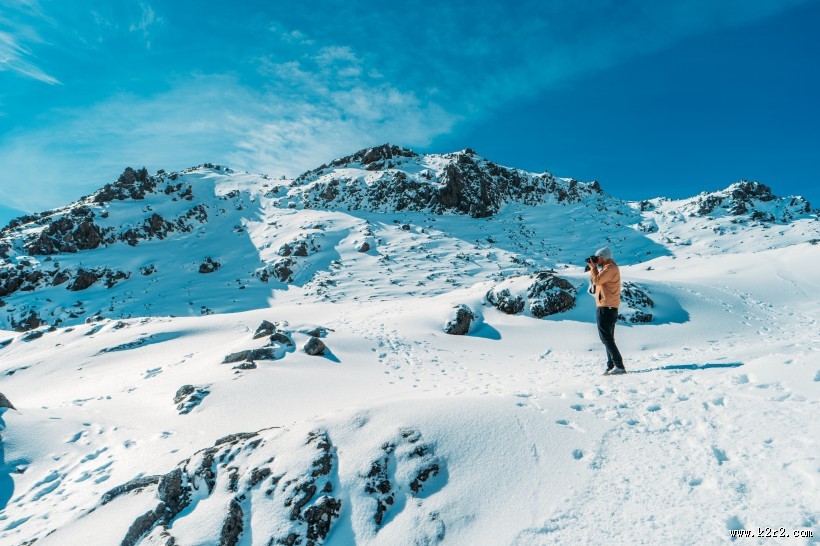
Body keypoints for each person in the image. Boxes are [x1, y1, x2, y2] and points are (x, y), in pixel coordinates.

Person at [587, 246, 625, 375]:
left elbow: (597, 281)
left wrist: (593, 268)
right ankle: (611, 365)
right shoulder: (607, 268)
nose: (596, 261)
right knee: (608, 338)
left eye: (597, 258)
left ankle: (619, 365)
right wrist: (595, 268)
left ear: (603, 257)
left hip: (606, 306)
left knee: (606, 338)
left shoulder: (610, 268)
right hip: (607, 306)